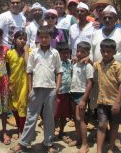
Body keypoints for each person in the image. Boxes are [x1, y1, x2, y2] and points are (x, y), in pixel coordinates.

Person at [9, 25, 63, 153]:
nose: (44, 40)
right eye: (42, 37)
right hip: (36, 89)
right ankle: (23, 143)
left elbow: (59, 71)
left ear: (51, 38)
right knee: (31, 117)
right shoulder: (34, 53)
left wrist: (57, 88)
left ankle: (48, 143)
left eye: (47, 37)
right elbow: (29, 72)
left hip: (50, 89)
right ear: (38, 38)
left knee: (49, 117)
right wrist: (30, 89)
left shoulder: (55, 53)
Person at [94, 39, 121, 153]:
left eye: (109, 51)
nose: (106, 54)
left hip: (114, 102)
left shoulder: (117, 66)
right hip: (102, 102)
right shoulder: (98, 64)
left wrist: (118, 102)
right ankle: (99, 150)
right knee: (102, 125)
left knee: (114, 126)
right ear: (100, 51)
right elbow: (90, 67)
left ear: (114, 52)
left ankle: (111, 147)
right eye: (103, 51)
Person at [69, 41, 93, 153]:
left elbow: (90, 83)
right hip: (73, 93)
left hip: (81, 94)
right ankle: (79, 139)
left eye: (82, 52)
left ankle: (85, 144)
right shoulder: (74, 63)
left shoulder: (87, 66)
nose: (79, 53)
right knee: (76, 119)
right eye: (78, 51)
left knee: (81, 119)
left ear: (88, 53)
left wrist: (84, 99)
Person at [6, 31, 29, 138]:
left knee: (22, 106)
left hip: (25, 84)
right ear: (14, 40)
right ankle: (19, 126)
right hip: (13, 84)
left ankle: (21, 130)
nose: (22, 41)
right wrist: (8, 84)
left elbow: (28, 65)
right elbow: (7, 70)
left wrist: (26, 51)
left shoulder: (29, 51)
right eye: (20, 38)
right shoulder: (9, 53)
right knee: (14, 107)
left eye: (24, 39)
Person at [54, 42, 72, 144]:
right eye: (63, 53)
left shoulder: (70, 63)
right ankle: (51, 134)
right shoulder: (55, 63)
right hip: (57, 93)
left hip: (66, 93)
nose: (65, 55)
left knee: (64, 115)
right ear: (58, 53)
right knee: (54, 115)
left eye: (67, 53)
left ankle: (61, 132)